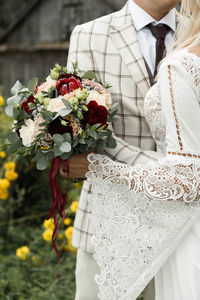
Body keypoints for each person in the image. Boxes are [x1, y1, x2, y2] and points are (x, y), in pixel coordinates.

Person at [63, 0, 200, 299]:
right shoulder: (90, 35)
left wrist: (181, 175)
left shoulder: (195, 33)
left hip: (185, 226)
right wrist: (174, 173)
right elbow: (94, 135)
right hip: (110, 221)